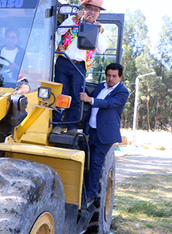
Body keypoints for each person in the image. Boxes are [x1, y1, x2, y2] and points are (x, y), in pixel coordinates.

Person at [52, 0, 107, 135]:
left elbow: (102, 49)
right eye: (90, 9)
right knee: (61, 94)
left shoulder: (98, 29)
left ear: (98, 14)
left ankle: (71, 127)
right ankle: (57, 124)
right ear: (84, 9)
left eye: (95, 10)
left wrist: (97, 32)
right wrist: (75, 18)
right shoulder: (73, 21)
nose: (92, 13)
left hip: (80, 66)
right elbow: (60, 31)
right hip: (64, 62)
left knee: (77, 96)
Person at [79, 62, 128, 204]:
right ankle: (83, 191)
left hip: (105, 135)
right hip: (91, 130)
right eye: (108, 75)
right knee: (86, 162)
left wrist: (90, 99)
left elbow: (108, 104)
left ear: (120, 77)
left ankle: (90, 196)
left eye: (114, 76)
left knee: (95, 163)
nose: (110, 79)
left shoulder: (122, 92)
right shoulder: (101, 86)